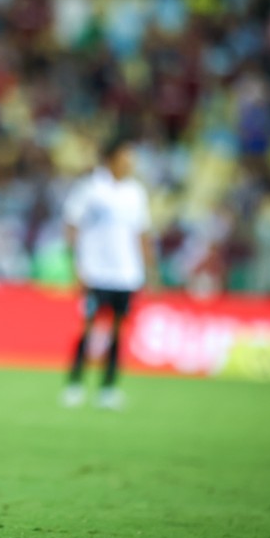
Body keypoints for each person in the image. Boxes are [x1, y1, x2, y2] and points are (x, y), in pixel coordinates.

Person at [60, 138, 154, 410]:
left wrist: (149, 270)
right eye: (127, 155)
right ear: (113, 157)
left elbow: (143, 233)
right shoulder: (90, 188)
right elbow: (71, 225)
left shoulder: (136, 192)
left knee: (117, 331)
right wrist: (76, 265)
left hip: (127, 274)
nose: (131, 161)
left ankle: (108, 388)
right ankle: (75, 384)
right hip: (96, 272)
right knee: (87, 327)